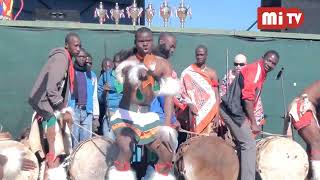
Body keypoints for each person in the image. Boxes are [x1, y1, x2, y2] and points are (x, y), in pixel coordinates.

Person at [108, 27, 179, 180]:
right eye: (141, 41)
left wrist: (166, 126)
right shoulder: (128, 63)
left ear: (152, 42)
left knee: (166, 153)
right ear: (135, 42)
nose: (145, 44)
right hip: (126, 116)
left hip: (148, 117)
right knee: (126, 150)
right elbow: (125, 82)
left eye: (148, 41)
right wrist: (136, 74)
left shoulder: (163, 65)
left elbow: (168, 97)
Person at [220, 50, 280, 180]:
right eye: (269, 60)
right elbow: (247, 98)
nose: (270, 64)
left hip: (235, 112)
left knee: (245, 145)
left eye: (273, 63)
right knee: (249, 144)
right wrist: (253, 122)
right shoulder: (256, 70)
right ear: (262, 57)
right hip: (232, 112)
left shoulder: (262, 72)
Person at [28, 32, 80, 174]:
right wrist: (64, 110)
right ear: (66, 45)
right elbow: (51, 88)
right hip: (44, 103)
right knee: (54, 145)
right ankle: (51, 161)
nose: (78, 49)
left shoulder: (66, 59)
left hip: (48, 104)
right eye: (75, 45)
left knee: (57, 146)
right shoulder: (61, 58)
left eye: (79, 46)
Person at [180, 45, 220, 134]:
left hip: (211, 112)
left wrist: (217, 115)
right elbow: (182, 92)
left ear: (206, 55)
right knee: (195, 139)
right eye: (197, 55)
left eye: (201, 55)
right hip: (195, 112)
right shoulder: (188, 72)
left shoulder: (212, 73)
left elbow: (216, 95)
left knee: (210, 140)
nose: (199, 57)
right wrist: (191, 105)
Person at [220, 53, 265, 129]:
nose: (238, 67)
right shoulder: (228, 76)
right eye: (236, 64)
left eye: (241, 64)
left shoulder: (252, 75)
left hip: (250, 109)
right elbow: (222, 93)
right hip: (233, 110)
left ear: (246, 65)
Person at [285, 80, 320, 179]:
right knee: (316, 142)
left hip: (305, 106)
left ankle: (310, 176)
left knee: (313, 144)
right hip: (302, 106)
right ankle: (317, 177)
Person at [68, 48, 99, 148]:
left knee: (86, 143)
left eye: (84, 57)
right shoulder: (70, 72)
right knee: (74, 141)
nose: (82, 59)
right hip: (74, 110)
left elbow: (94, 96)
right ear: (76, 57)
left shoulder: (91, 75)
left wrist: (96, 116)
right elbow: (66, 93)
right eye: (80, 56)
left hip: (87, 112)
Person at [98, 49, 133, 139]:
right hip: (110, 112)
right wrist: (104, 92)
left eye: (121, 62)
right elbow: (99, 98)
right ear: (113, 63)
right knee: (109, 142)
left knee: (124, 143)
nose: (119, 64)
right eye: (117, 62)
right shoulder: (106, 76)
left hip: (124, 113)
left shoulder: (128, 76)